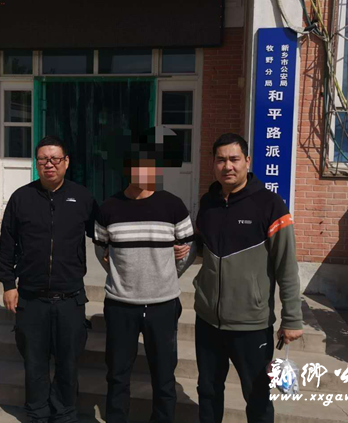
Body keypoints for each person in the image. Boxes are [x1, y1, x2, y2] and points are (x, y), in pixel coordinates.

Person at [184, 133, 303, 423]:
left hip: (251, 325)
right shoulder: (208, 203)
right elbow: (203, 247)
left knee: (258, 397)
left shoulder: (270, 205)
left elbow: (286, 265)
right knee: (208, 391)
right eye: (221, 160)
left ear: (247, 161)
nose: (228, 166)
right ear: (213, 164)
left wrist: (292, 318)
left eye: (234, 159)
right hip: (208, 320)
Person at [93, 140, 197, 423]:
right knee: (117, 375)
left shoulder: (173, 206)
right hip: (120, 305)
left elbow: (189, 248)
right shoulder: (108, 208)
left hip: (163, 304)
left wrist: (167, 274)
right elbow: (101, 249)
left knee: (163, 377)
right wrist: (121, 274)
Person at [0, 135, 98, 423]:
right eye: (43, 159)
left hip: (70, 298)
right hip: (31, 298)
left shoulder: (82, 197)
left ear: (66, 162)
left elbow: (103, 234)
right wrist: (8, 284)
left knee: (68, 363)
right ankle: (37, 414)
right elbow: (7, 244)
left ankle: (65, 413)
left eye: (55, 159)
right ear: (36, 163)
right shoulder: (21, 198)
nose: (49, 164)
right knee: (34, 364)